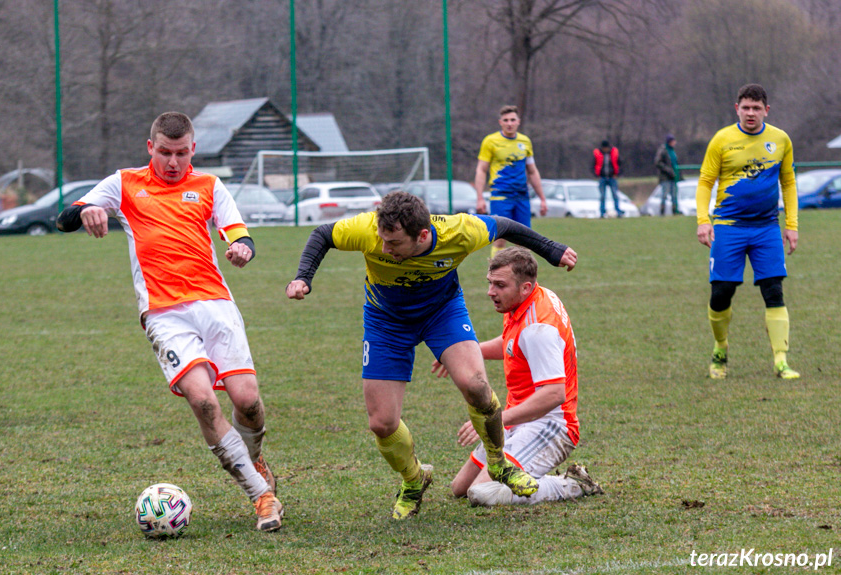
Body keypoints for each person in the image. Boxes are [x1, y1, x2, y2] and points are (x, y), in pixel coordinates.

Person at [285, 191, 577, 519]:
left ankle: (499, 465)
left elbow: (508, 226)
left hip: (442, 313)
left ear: (422, 236)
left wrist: (553, 250)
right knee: (382, 423)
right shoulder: (368, 229)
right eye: (382, 239)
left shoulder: (460, 231)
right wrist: (303, 278)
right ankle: (414, 479)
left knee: (476, 384)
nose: (383, 248)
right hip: (386, 322)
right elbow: (322, 234)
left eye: (394, 243)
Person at [56, 112, 284, 531]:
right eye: (165, 152)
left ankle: (253, 459)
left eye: (181, 153)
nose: (173, 161)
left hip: (215, 304)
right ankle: (261, 495)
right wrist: (85, 212)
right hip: (164, 312)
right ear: (150, 148)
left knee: (247, 401)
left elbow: (239, 233)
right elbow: (65, 216)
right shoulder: (125, 183)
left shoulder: (209, 186)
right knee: (203, 401)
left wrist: (242, 250)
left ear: (193, 150)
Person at [433, 247, 603, 507]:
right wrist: (466, 352)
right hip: (519, 418)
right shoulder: (528, 301)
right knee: (460, 488)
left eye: (500, 285)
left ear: (524, 287)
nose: (491, 292)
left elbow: (554, 394)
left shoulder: (538, 329)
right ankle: (523, 471)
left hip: (551, 425)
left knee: (481, 493)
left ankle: (571, 485)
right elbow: (512, 343)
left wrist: (496, 419)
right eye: (490, 283)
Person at [696, 83, 800, 380]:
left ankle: (781, 361)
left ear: (766, 110)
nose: (751, 113)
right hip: (728, 227)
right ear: (737, 109)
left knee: (773, 291)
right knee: (722, 293)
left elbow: (789, 184)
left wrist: (791, 225)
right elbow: (705, 182)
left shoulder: (780, 139)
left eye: (756, 108)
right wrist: (703, 220)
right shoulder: (722, 140)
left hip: (767, 227)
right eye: (746, 107)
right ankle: (720, 349)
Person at [474, 105, 548, 258]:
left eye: (512, 120)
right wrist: (480, 197)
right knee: (500, 239)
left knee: (524, 240)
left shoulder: (525, 141)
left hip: (521, 196)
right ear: (500, 122)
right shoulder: (490, 141)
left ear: (518, 122)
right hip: (500, 196)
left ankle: (523, 276)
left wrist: (542, 198)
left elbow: (532, 171)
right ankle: (496, 275)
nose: (509, 123)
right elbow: (482, 169)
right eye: (506, 120)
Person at [592, 140, 624, 218]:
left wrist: (617, 174)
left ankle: (618, 211)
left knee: (615, 195)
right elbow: (593, 165)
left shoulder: (614, 153)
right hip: (602, 177)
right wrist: (597, 175)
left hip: (612, 177)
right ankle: (602, 212)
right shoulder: (598, 154)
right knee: (602, 196)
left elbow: (621, 164)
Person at [654, 133, 682, 215]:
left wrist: (679, 175)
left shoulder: (673, 151)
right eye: (673, 141)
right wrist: (668, 171)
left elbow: (676, 163)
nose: (675, 142)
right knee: (664, 195)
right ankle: (662, 212)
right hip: (665, 177)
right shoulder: (663, 150)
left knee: (674, 195)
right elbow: (657, 162)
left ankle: (675, 211)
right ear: (670, 141)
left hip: (674, 177)